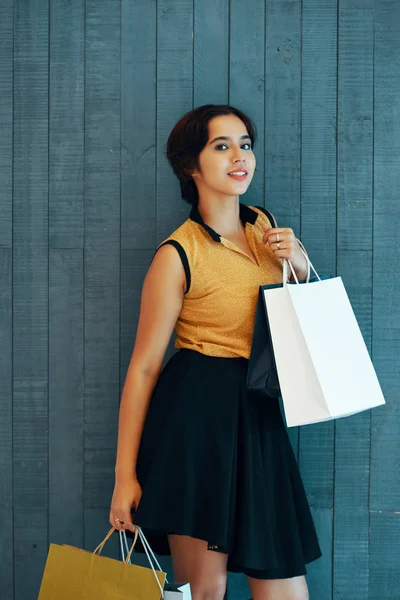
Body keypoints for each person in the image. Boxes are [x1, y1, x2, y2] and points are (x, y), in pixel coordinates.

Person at [109, 104, 322, 600]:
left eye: (244, 144)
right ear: (190, 165)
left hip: (260, 416)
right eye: (221, 146)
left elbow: (299, 317)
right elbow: (143, 368)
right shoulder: (178, 253)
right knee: (205, 591)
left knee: (286, 589)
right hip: (196, 420)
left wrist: (301, 263)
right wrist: (125, 477)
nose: (238, 157)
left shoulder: (265, 228)